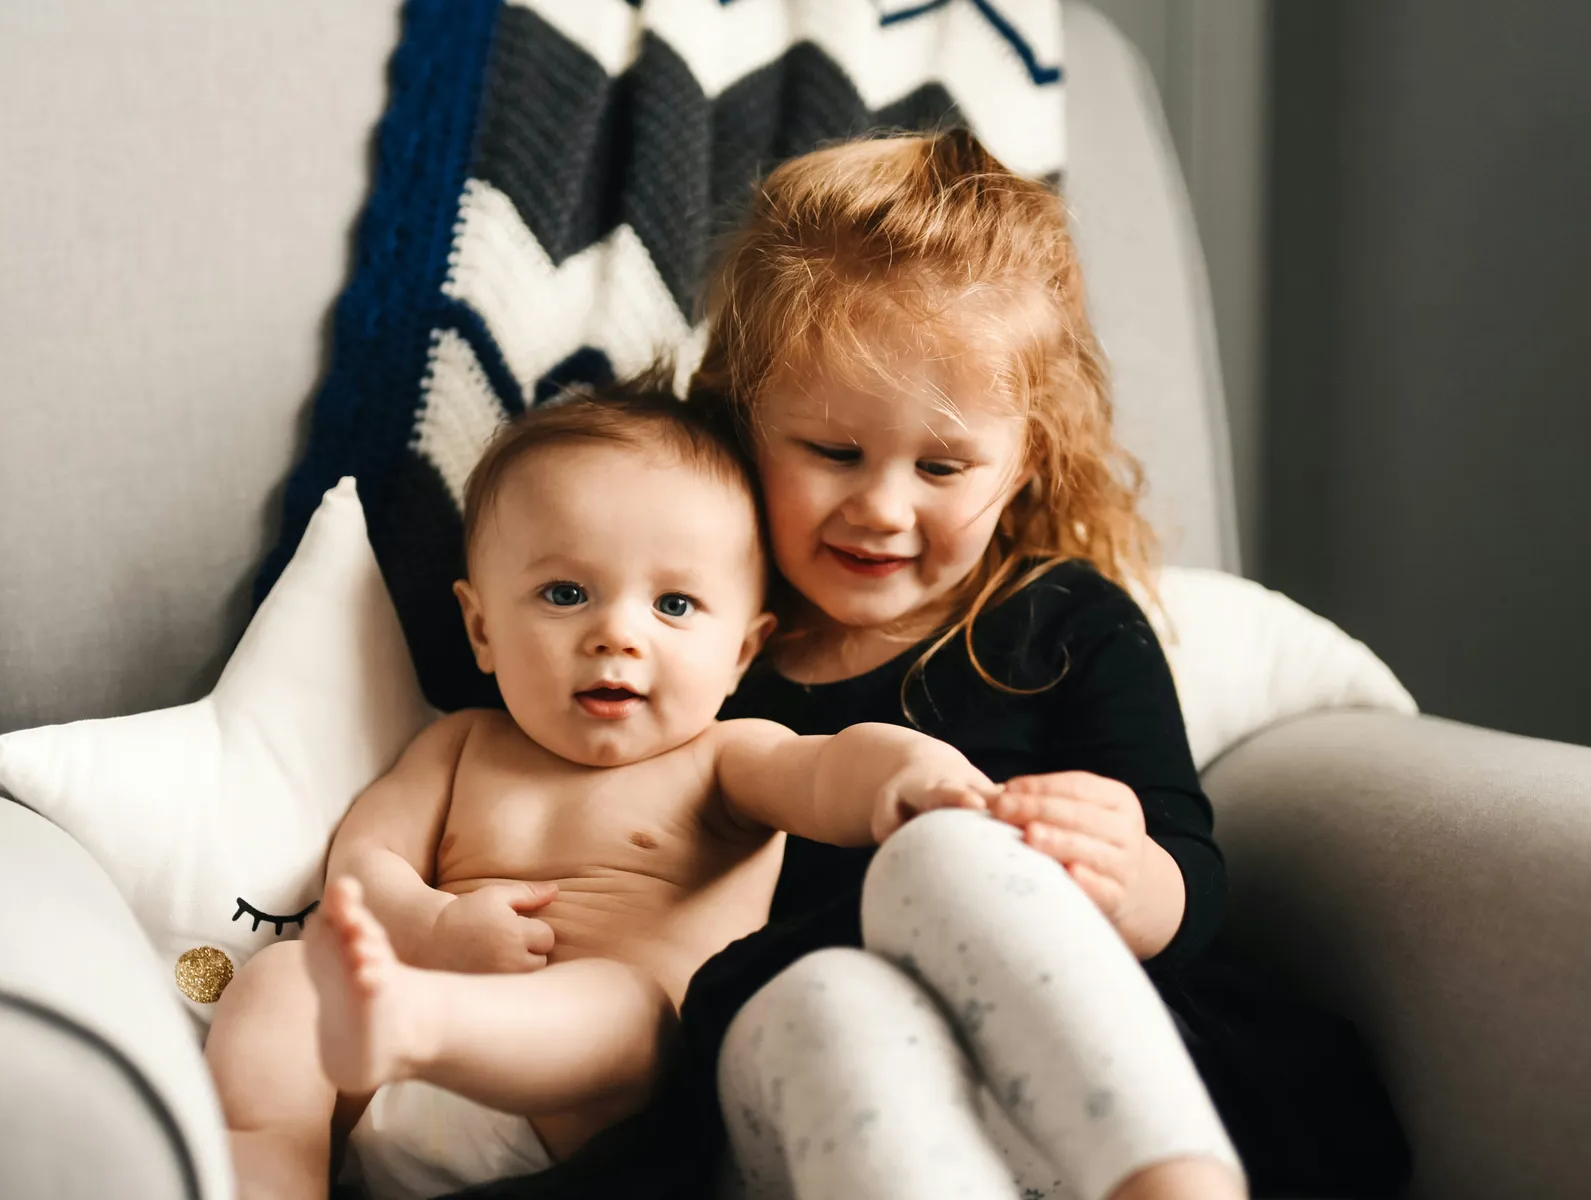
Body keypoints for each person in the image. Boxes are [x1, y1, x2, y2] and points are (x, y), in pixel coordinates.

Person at [204, 381, 998, 1200]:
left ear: (740, 654)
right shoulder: (460, 744)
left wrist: (910, 776)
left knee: (628, 1009)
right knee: (281, 979)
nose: (617, 633)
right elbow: (363, 866)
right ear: (481, 629)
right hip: (385, 1075)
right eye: (565, 594)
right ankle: (271, 1172)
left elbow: (830, 770)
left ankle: (417, 1026)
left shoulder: (726, 760)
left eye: (675, 603)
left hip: (589, 1124)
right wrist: (431, 925)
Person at [677, 127, 1255, 1200]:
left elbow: (1193, 868)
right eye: (832, 451)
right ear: (741, 413)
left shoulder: (1062, 622)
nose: (883, 508)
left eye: (943, 465)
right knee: (832, 998)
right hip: (806, 1087)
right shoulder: (693, 636)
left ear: (1024, 455)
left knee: (943, 852)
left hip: (1065, 1083)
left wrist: (1134, 878)